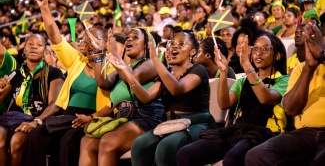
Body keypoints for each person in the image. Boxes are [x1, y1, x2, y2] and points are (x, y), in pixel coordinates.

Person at [24, 0, 110, 166]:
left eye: (96, 40)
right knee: (36, 136)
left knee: (68, 141)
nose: (90, 43)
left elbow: (113, 104)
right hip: (66, 117)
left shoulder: (111, 68)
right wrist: (45, 7)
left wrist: (92, 117)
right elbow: (55, 37)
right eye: (87, 40)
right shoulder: (77, 60)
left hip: (91, 118)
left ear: (106, 45)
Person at [176, 32, 289, 166]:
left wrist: (247, 65)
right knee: (185, 154)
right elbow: (224, 104)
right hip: (239, 130)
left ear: (277, 55)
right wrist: (223, 72)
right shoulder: (243, 81)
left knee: (233, 159)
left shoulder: (284, 80)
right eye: (256, 49)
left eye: (265, 49)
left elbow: (265, 98)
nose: (258, 53)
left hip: (265, 132)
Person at [113, 30, 215, 166]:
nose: (174, 46)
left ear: (192, 52)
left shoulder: (198, 69)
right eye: (172, 43)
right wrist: (126, 72)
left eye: (181, 43)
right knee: (139, 144)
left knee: (166, 146)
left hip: (197, 122)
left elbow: (177, 89)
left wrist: (155, 60)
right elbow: (145, 97)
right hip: (171, 124)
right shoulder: (167, 74)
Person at [79, 28, 165, 166]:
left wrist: (114, 53)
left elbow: (134, 77)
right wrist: (99, 54)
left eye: (135, 37)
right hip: (122, 118)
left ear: (146, 44)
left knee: (108, 141)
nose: (129, 39)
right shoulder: (122, 69)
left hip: (145, 116)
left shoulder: (151, 63)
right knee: (87, 141)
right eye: (128, 37)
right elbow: (103, 82)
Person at [245, 24, 325, 166]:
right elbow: (290, 109)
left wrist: (322, 55)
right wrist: (309, 68)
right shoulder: (301, 69)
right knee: (256, 155)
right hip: (306, 133)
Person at [0, 34, 64, 166]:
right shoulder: (16, 73)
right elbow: (1, 98)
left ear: (45, 51)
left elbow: (55, 105)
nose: (34, 47)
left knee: (17, 140)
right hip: (13, 119)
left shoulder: (54, 73)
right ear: (24, 49)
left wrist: (36, 121)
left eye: (39, 45)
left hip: (38, 120)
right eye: (30, 44)